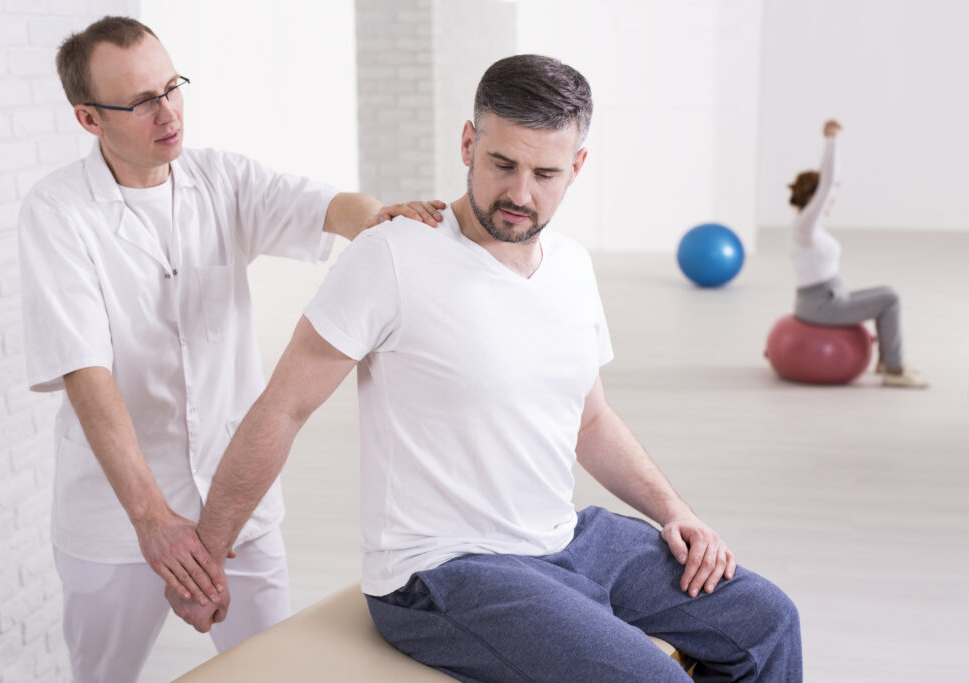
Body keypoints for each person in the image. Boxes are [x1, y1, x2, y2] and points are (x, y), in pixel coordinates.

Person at [171, 55, 802, 681]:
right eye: (503, 164)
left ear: (577, 166)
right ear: (468, 143)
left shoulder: (572, 267)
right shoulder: (393, 255)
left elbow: (591, 421)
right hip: (444, 570)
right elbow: (284, 407)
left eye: (546, 173)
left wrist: (675, 512)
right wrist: (209, 555)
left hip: (567, 540)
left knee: (768, 620)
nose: (521, 194)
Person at [18, 15, 444, 683]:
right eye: (142, 101)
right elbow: (85, 372)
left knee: (274, 669)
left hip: (236, 498)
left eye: (172, 87)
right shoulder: (56, 211)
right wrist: (151, 519)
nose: (169, 112)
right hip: (116, 513)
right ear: (89, 119)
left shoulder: (222, 179)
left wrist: (375, 219)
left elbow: (328, 206)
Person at [787, 119, 927, 388]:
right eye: (826, 197)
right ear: (813, 198)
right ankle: (894, 371)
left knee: (888, 292)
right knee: (890, 299)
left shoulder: (807, 227)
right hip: (821, 306)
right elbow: (828, 183)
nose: (831, 199)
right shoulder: (805, 226)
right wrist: (832, 140)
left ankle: (887, 361)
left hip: (829, 299)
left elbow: (826, 187)